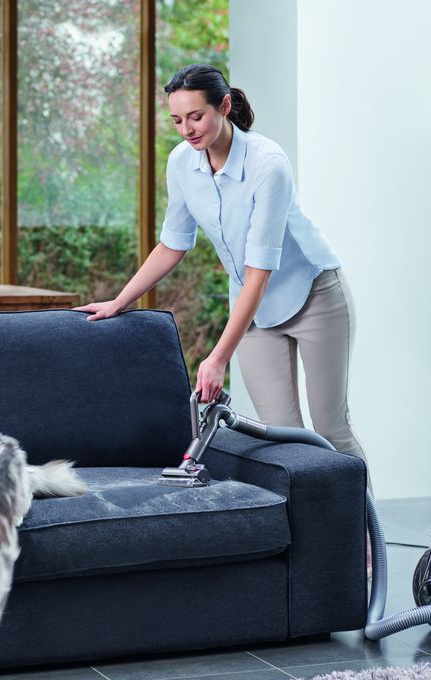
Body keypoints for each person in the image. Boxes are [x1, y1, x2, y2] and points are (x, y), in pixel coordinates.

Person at [75, 63, 370, 483]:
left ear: (224, 106)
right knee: (285, 440)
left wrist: (217, 358)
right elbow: (173, 242)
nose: (186, 129)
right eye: (177, 120)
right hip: (252, 311)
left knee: (330, 430)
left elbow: (259, 271)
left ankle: (365, 544)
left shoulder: (268, 164)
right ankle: (317, 547)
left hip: (314, 296)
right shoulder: (182, 163)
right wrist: (121, 301)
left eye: (196, 116)